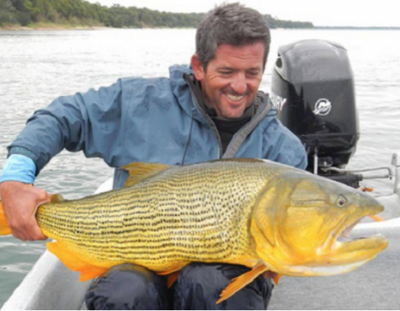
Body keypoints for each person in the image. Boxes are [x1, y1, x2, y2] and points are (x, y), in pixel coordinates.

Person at [0, 3, 307, 310]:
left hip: (221, 283)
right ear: (198, 66)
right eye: (226, 72)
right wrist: (15, 179)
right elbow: (62, 116)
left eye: (252, 73)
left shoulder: (283, 153)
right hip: (134, 260)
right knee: (125, 292)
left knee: (210, 283)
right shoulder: (139, 104)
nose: (240, 86)